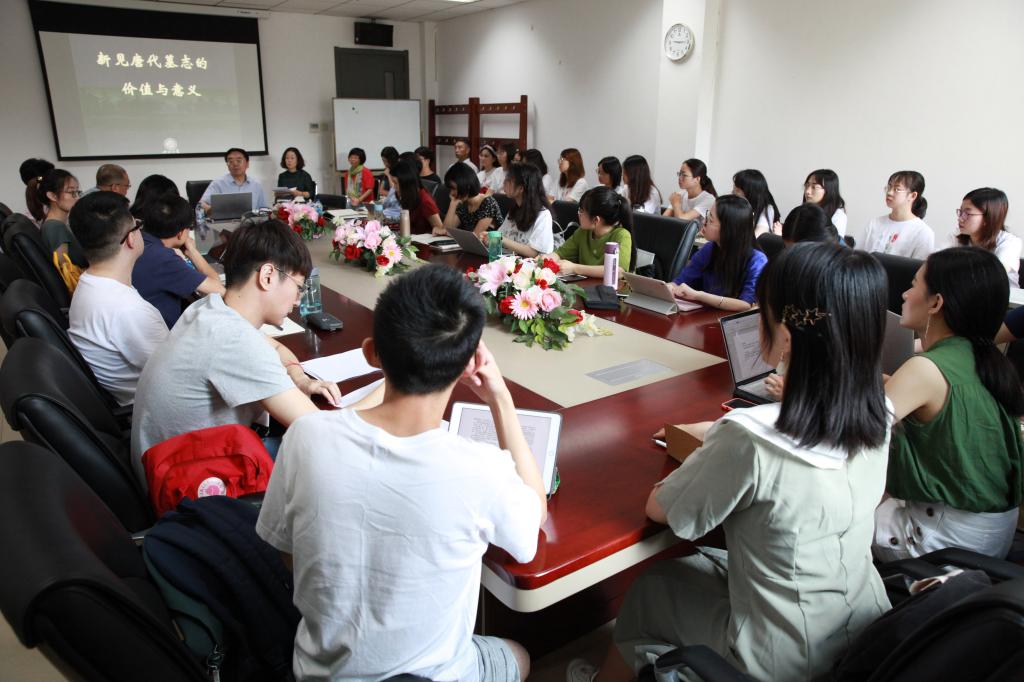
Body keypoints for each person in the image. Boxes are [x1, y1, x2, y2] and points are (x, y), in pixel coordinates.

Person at [574, 243, 893, 682]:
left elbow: (662, 509)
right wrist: (719, 431)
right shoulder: (878, 415)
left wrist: (716, 443)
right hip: (866, 627)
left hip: (782, 657)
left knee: (653, 587)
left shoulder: (751, 439)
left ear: (786, 337)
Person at [256, 264, 545, 682]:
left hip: (318, 672)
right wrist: (500, 398)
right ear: (467, 366)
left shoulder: (305, 436)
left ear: (372, 352)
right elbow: (532, 524)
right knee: (517, 655)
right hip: (435, 675)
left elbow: (289, 555)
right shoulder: (481, 469)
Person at [130, 219, 365, 485]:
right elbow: (323, 431)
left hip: (170, 463)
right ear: (267, 276)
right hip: (191, 485)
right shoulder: (234, 340)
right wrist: (392, 384)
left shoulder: (210, 307)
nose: (298, 300)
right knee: (340, 465)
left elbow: (275, 346)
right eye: (298, 288)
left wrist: (301, 380)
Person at [877, 247, 1024, 561]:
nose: (905, 294)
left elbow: (854, 431)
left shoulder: (925, 369)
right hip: (988, 537)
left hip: (942, 540)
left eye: (914, 285)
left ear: (936, 303)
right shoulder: (987, 361)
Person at [67, 191, 168, 407]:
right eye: (137, 225)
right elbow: (178, 374)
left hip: (140, 397)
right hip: (153, 407)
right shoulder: (128, 310)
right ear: (130, 239)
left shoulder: (88, 283)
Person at [134, 193, 225, 328]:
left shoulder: (139, 240)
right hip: (161, 335)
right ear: (181, 233)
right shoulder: (163, 258)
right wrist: (192, 251)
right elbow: (218, 289)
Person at [671, 194, 767, 311]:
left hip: (731, 320)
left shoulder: (757, 261)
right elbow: (681, 282)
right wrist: (668, 288)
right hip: (707, 315)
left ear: (728, 229)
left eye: (710, 220)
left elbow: (746, 304)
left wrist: (699, 295)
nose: (704, 221)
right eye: (707, 215)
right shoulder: (709, 249)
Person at [546, 186, 634, 276]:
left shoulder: (622, 235)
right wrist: (547, 258)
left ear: (596, 220)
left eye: (581, 211)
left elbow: (618, 271)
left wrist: (575, 268)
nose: (578, 214)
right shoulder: (582, 232)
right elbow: (560, 254)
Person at [953, 187, 1021, 287]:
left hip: (1001, 295)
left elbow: (994, 274)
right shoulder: (958, 239)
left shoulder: (1009, 242)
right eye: (960, 212)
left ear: (988, 218)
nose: (960, 218)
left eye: (967, 213)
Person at [863, 170, 935, 259]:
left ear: (912, 196)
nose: (889, 192)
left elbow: (919, 266)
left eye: (897, 189)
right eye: (889, 187)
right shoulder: (874, 223)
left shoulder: (923, 232)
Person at [28, 169, 87, 269]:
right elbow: (66, 272)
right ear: (53, 196)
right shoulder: (55, 227)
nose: (77, 197)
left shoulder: (57, 224)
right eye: (71, 192)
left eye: (77, 192)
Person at [497, 162, 554, 257]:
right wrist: (489, 237)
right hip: (509, 261)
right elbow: (500, 234)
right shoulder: (514, 210)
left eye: (508, 180)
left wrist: (500, 239)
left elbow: (533, 252)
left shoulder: (543, 215)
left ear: (521, 188)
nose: (504, 183)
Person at [441, 162, 503, 236]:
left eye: (454, 189)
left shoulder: (488, 203)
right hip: (469, 243)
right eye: (450, 189)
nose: (451, 193)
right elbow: (446, 231)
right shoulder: (463, 203)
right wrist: (452, 204)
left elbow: (475, 237)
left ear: (466, 185)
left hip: (492, 243)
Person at [199, 148, 268, 212]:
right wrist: (211, 211)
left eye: (239, 161)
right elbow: (201, 204)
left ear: (247, 164)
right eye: (231, 161)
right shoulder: (218, 184)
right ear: (227, 165)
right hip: (225, 221)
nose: (235, 164)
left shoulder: (256, 185)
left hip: (250, 220)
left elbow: (263, 209)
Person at [390, 160, 443, 234]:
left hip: (421, 239)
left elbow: (440, 230)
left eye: (395, 183)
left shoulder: (425, 201)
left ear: (405, 183)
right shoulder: (407, 195)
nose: (393, 187)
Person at [732, 169, 780, 237]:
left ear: (750, 193)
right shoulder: (737, 207)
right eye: (733, 188)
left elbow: (758, 236)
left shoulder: (767, 210)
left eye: (737, 190)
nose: (733, 193)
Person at [802, 169, 848, 237]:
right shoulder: (804, 212)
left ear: (828, 190)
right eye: (807, 185)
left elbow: (832, 242)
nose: (807, 191)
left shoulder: (838, 216)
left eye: (814, 187)